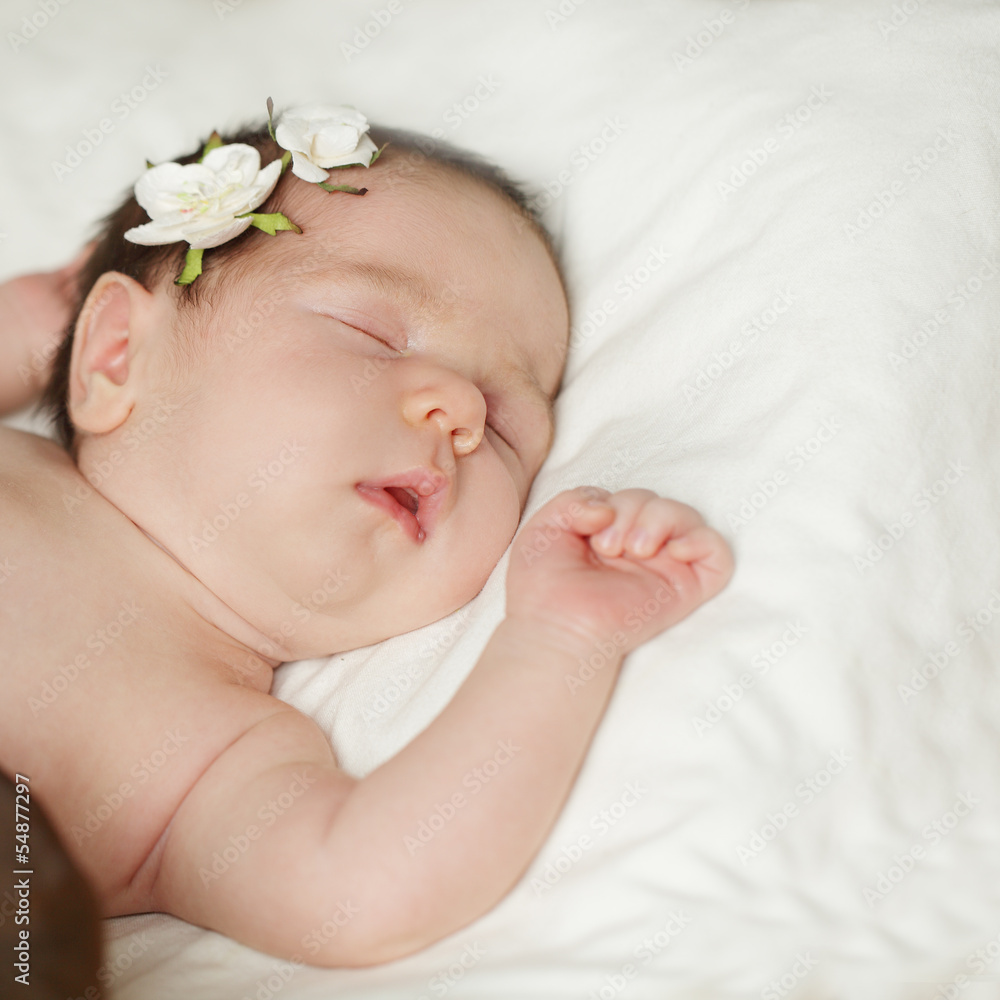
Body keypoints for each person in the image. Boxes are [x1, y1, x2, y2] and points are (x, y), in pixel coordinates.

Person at [0, 103, 733, 970]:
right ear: (116, 354)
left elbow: (357, 891)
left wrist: (561, 640)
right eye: (373, 335)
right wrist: (28, 330)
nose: (458, 412)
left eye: (506, 428)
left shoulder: (215, 756)